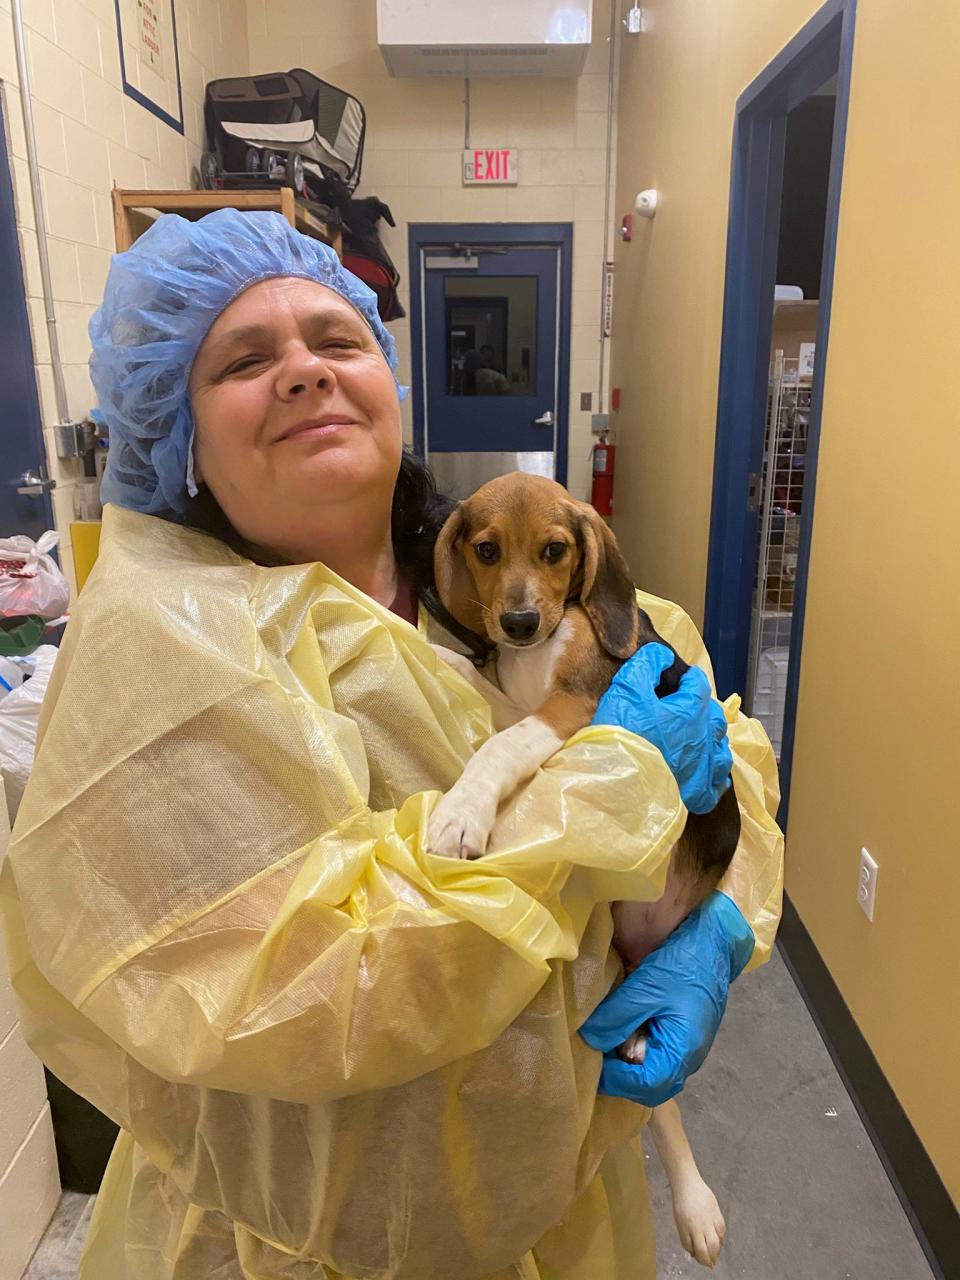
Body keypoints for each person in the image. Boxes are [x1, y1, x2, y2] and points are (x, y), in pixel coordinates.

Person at [0, 210, 783, 1280]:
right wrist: (606, 789)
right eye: (244, 357)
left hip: (562, 1191)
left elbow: (724, 737)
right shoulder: (158, 653)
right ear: (173, 426)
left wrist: (721, 910)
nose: (303, 372)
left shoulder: (487, 571)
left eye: (336, 340)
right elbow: (317, 996)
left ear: (389, 383)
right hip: (308, 1233)